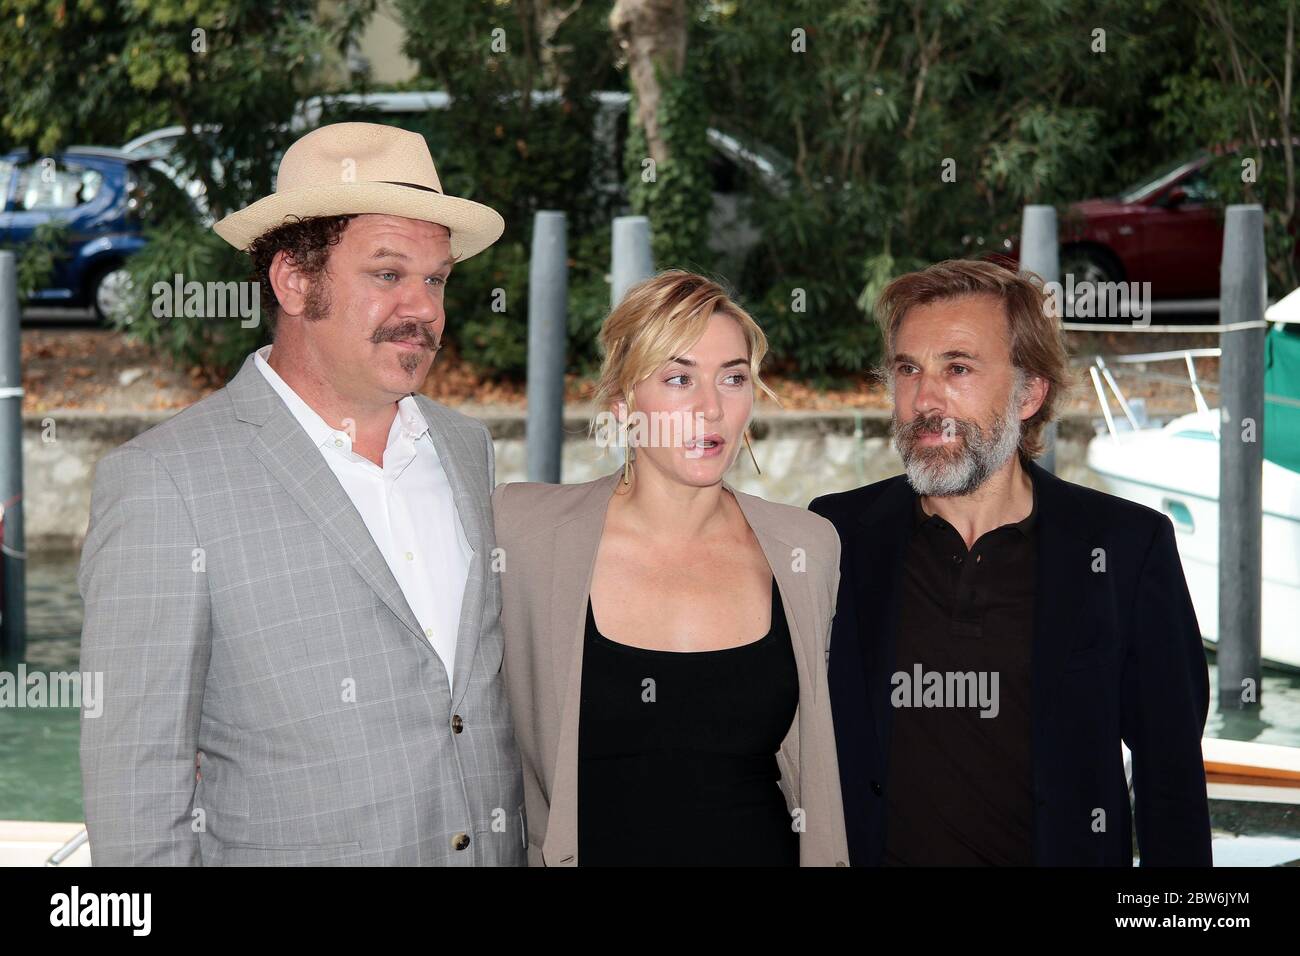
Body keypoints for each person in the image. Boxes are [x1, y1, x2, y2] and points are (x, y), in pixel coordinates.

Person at [78, 122, 525, 865]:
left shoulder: (463, 448)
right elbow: (135, 804)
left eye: (437, 278)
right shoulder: (164, 484)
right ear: (293, 281)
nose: (425, 309)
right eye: (387, 273)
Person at [810, 258, 1212, 866]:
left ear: (1029, 392)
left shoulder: (1126, 548)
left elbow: (1171, 780)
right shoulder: (835, 535)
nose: (924, 398)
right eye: (908, 369)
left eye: (959, 368)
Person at [493, 270, 849, 866]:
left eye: (733, 378)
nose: (711, 408)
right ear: (622, 403)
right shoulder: (524, 535)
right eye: (680, 379)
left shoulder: (806, 550)